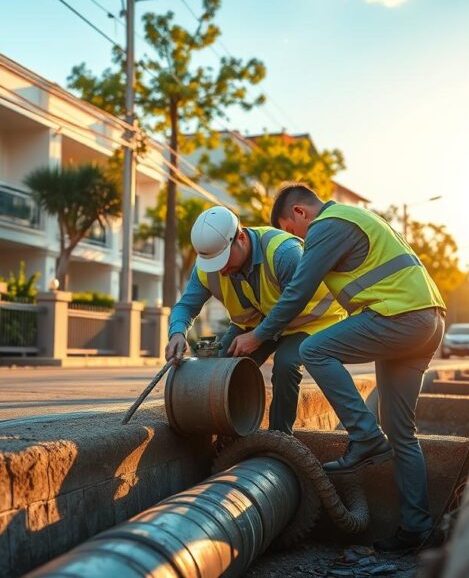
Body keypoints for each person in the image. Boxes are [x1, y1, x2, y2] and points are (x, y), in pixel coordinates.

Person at [230, 183, 446, 553]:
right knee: (402, 432)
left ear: (300, 213)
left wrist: (258, 336)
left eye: (292, 231)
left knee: (314, 350)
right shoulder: (356, 217)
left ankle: (364, 437)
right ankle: (417, 529)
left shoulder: (328, 225)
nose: (297, 240)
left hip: (399, 316)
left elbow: (297, 291)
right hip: (426, 320)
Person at [164, 205, 346, 434]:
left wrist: (258, 336)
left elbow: (293, 301)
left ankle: (280, 438)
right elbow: (186, 306)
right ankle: (227, 432)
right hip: (257, 324)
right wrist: (177, 333)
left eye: (223, 260)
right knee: (221, 368)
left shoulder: (284, 252)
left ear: (240, 237)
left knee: (286, 364)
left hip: (309, 321)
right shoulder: (206, 269)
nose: (220, 271)